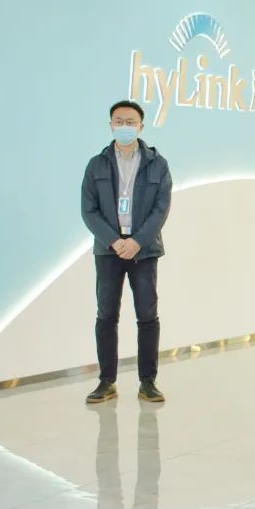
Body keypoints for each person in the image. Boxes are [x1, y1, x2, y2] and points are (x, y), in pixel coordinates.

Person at [81, 100, 172, 404]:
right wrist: (113, 240)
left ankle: (148, 382)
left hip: (144, 251)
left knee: (147, 315)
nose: (124, 126)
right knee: (106, 315)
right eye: (118, 121)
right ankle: (106, 382)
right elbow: (88, 210)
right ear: (111, 126)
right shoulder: (97, 164)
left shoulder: (157, 164)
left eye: (130, 122)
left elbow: (161, 208)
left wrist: (137, 241)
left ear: (141, 126)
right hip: (109, 250)